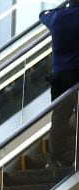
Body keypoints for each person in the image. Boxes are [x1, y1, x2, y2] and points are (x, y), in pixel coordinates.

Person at [41, 1, 79, 167]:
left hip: (59, 76)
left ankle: (54, 158)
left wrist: (60, 10)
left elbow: (43, 15)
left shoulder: (57, 17)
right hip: (77, 73)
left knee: (59, 117)